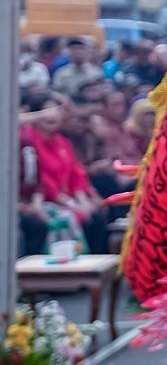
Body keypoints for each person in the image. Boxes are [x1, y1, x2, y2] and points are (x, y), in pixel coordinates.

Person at [18, 96, 107, 254]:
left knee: (96, 213)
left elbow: (76, 174)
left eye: (57, 111)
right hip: (48, 200)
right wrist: (73, 204)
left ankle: (94, 269)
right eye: (48, 111)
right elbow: (42, 180)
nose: (53, 116)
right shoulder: (28, 140)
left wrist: (83, 199)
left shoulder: (62, 141)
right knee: (67, 218)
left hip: (63, 198)